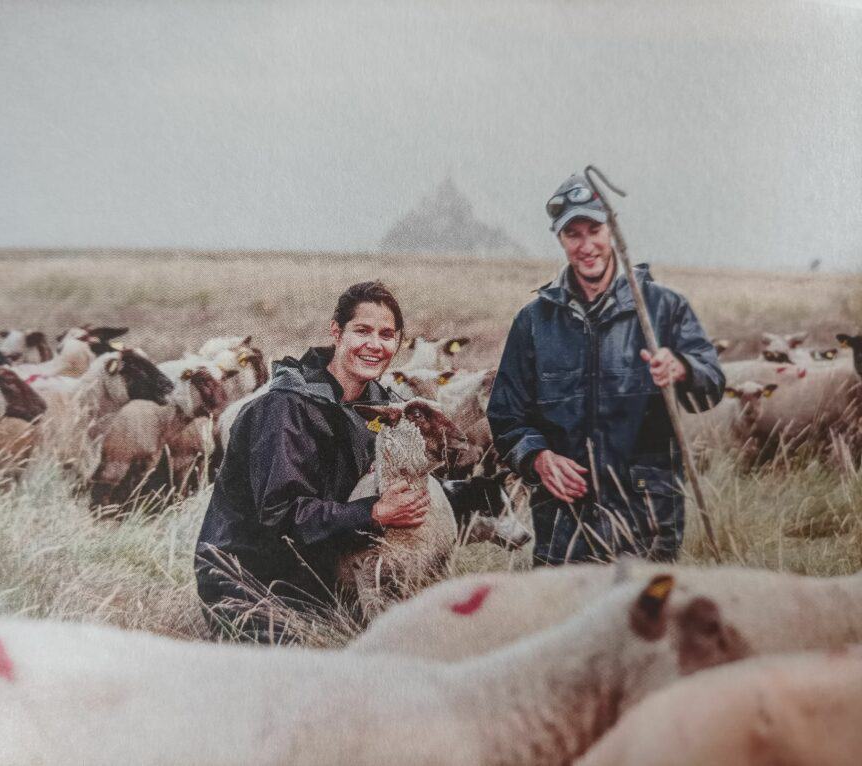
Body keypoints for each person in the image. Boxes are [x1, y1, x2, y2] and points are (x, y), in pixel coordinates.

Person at [487, 173, 724, 566]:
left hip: (647, 518)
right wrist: (538, 457)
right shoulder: (533, 322)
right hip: (564, 521)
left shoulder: (664, 309)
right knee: (568, 625)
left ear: (612, 229)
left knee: (643, 625)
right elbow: (506, 416)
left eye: (594, 230)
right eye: (572, 234)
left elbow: (710, 388)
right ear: (560, 240)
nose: (586, 246)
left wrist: (681, 369)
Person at [195, 281, 430, 642]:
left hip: (320, 570)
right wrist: (374, 513)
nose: (375, 345)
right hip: (250, 576)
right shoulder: (285, 409)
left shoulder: (384, 408)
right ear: (336, 332)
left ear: (398, 343)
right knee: (298, 673)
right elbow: (281, 518)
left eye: (387, 335)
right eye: (362, 331)